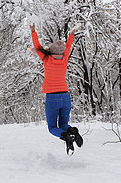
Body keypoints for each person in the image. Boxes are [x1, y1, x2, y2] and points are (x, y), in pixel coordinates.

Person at [30, 23, 83, 155]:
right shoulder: (64, 58)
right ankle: (72, 132)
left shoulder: (47, 59)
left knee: (53, 127)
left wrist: (33, 31)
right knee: (64, 124)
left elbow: (37, 47)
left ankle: (66, 137)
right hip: (65, 96)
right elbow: (69, 46)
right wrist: (72, 32)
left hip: (52, 98)